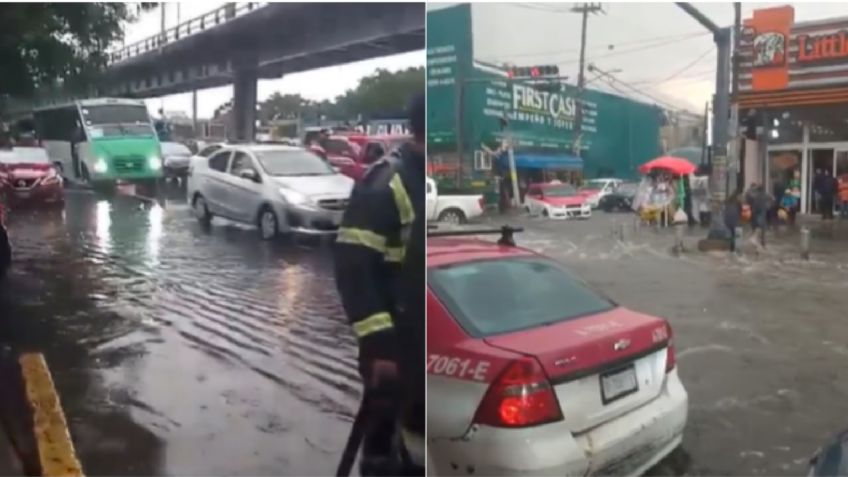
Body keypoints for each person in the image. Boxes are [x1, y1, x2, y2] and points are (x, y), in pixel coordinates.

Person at [334, 93, 424, 476]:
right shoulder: (387, 183)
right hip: (394, 350)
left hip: (425, 347)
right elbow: (354, 267)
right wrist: (379, 346)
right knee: (384, 452)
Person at [746, 183, 771, 251]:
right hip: (760, 215)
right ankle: (761, 244)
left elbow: (751, 203)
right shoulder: (764, 195)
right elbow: (772, 199)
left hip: (755, 215)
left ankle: (757, 245)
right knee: (762, 229)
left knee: (756, 229)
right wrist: (768, 206)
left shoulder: (755, 196)